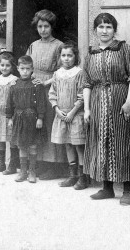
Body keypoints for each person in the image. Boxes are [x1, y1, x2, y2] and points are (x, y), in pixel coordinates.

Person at [83, 13, 130, 205]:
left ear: (114, 30)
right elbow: (87, 83)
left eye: (108, 27)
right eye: (100, 27)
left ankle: (127, 191)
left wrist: (129, 102)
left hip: (120, 101)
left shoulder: (124, 49)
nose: (104, 31)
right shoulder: (90, 54)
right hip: (98, 103)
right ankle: (107, 188)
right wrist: (87, 109)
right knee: (102, 142)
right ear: (95, 30)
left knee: (123, 143)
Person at [26, 9, 67, 179]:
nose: (43, 30)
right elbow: (27, 65)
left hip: (51, 88)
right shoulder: (33, 45)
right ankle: (40, 163)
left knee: (50, 124)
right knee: (37, 125)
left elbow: (62, 69)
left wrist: (46, 82)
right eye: (40, 26)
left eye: (46, 26)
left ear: (52, 27)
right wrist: (31, 79)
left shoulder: (59, 46)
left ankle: (55, 166)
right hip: (35, 88)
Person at [49, 42, 88, 190]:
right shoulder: (57, 74)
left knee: (78, 145)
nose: (66, 58)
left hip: (75, 115)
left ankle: (83, 177)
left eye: (69, 55)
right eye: (63, 55)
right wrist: (57, 109)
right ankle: (73, 176)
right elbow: (52, 93)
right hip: (62, 114)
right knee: (68, 144)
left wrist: (72, 112)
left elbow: (82, 95)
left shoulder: (79, 73)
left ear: (75, 57)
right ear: (59, 57)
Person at [8, 55, 46, 183]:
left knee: (33, 145)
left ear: (32, 69)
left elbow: (41, 103)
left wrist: (40, 118)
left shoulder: (36, 85)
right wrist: (10, 118)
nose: (25, 71)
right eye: (22, 68)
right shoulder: (14, 85)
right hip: (18, 118)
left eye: (27, 69)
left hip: (32, 119)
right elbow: (10, 103)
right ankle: (23, 172)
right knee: (22, 145)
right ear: (18, 68)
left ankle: (32, 171)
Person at [0, 52, 20, 174]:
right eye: (2, 65)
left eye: (7, 65)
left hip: (9, 115)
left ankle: (12, 164)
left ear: (12, 67)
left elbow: (16, 98)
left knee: (11, 138)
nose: (4, 68)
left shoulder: (14, 80)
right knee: (0, 138)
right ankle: (1, 163)